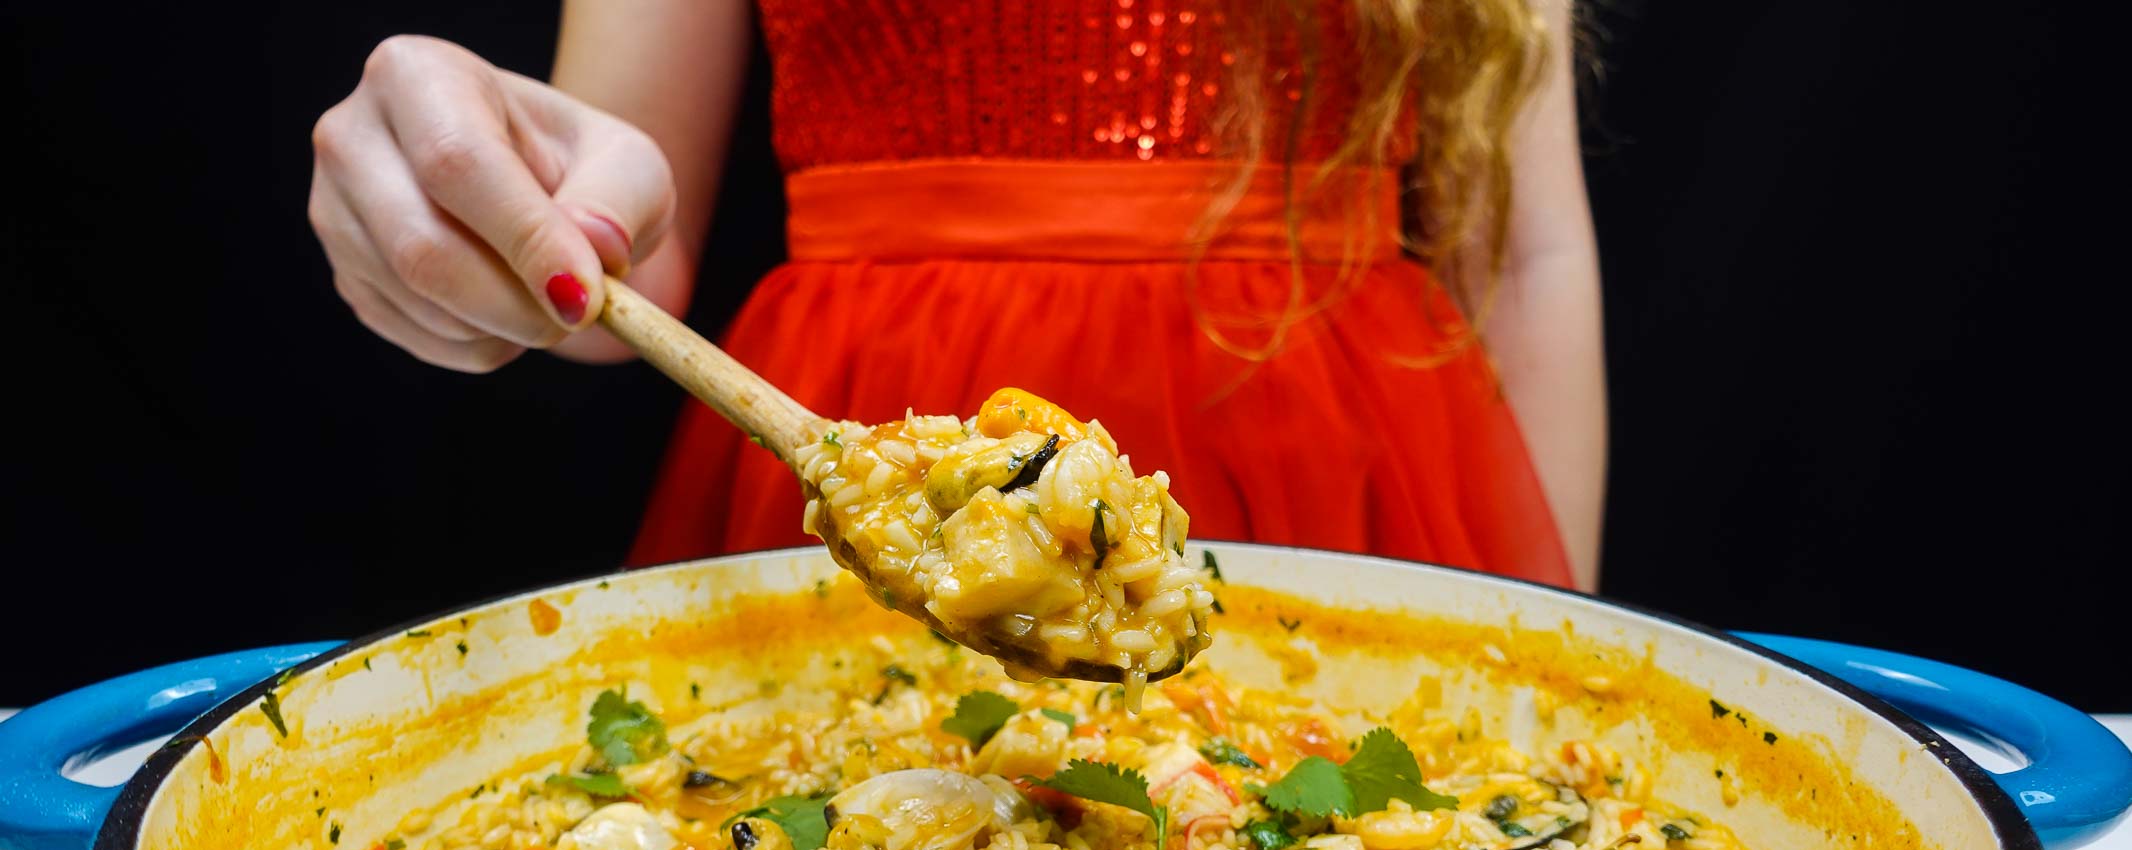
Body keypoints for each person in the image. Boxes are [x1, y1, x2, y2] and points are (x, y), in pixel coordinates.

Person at [307, 0, 1604, 590]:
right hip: (869, 444)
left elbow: (1525, 251)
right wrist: (492, 192)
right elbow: (620, 234)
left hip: (1347, 481)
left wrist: (1580, 671)